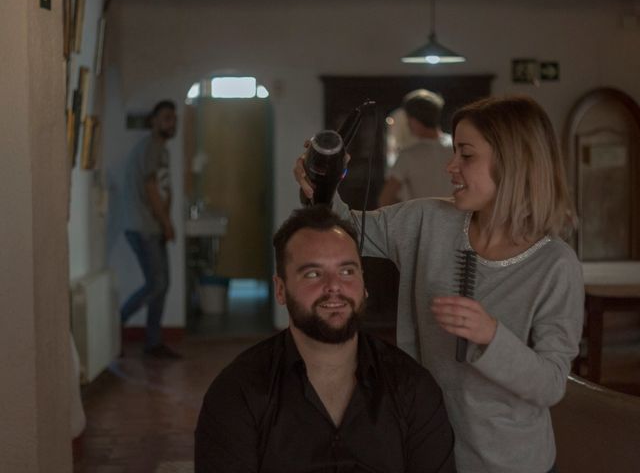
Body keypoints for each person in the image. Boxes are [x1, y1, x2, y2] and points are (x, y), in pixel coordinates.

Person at [295, 95, 584, 472]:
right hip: (426, 450)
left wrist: (490, 336)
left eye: (466, 155)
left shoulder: (555, 264)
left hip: (511, 463)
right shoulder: (427, 220)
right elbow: (346, 232)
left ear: (513, 162)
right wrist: (324, 185)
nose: (451, 167)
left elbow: (550, 384)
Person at [195, 206, 456, 473]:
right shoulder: (237, 392)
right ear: (281, 290)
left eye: (347, 271)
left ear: (364, 285)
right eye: (313, 274)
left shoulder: (412, 388)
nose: (334, 286)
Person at [120, 100, 182, 359]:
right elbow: (151, 188)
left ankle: (153, 342)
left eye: (173, 119)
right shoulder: (152, 147)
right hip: (144, 226)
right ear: (154, 121)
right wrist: (167, 223)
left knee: (161, 284)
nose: (171, 123)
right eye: (166, 118)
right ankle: (115, 325)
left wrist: (165, 222)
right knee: (157, 284)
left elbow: (161, 189)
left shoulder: (160, 149)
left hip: (151, 226)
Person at [378, 89, 452, 206]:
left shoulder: (408, 155)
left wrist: (408, 211)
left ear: (414, 120)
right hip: (455, 219)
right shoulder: (456, 147)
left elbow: (385, 199)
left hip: (422, 221)